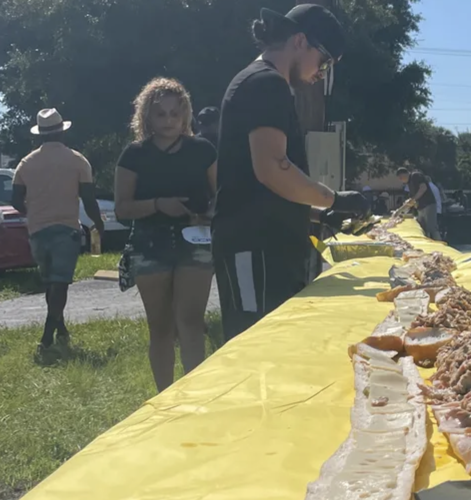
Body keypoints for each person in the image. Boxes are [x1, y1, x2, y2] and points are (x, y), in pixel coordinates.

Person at [212, 5, 369, 344]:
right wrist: (333, 199)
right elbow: (271, 168)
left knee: (277, 350)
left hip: (267, 246)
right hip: (254, 247)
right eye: (324, 61)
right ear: (300, 41)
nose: (321, 73)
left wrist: (313, 211)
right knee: (254, 349)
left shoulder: (264, 82)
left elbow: (258, 183)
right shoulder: (266, 83)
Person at [114, 78, 218, 392]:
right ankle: (165, 396)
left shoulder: (203, 150)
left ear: (186, 115)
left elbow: (221, 196)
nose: (169, 121)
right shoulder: (134, 154)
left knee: (190, 321)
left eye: (175, 113)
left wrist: (208, 213)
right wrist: (159, 205)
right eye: (161, 114)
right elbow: (122, 209)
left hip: (196, 240)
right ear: (147, 116)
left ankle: (193, 395)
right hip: (149, 242)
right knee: (159, 326)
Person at [11, 109, 104, 353]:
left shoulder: (26, 163)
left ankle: (60, 329)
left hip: (38, 230)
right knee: (59, 284)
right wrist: (98, 223)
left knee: (51, 282)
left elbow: (16, 200)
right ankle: (47, 337)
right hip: (66, 228)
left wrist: (33, 211)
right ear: (62, 131)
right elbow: (88, 198)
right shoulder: (77, 160)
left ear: (39, 135)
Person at [396, 168, 441, 240]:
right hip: (421, 207)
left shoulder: (415, 176)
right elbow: (411, 200)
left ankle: (440, 244)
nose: (401, 180)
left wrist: (414, 199)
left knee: (432, 227)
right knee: (422, 228)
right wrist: (399, 210)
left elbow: (423, 188)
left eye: (401, 178)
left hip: (428, 204)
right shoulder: (409, 183)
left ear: (404, 174)